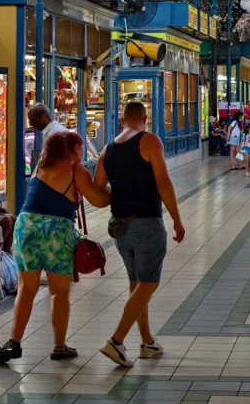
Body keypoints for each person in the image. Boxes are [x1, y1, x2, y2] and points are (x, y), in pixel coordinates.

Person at [0, 130, 110, 363]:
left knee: (26, 289)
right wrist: (111, 192)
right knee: (59, 292)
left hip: (26, 226)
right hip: (55, 232)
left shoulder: (40, 166)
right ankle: (59, 346)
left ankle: (13, 342)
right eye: (80, 148)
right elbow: (98, 200)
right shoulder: (75, 169)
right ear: (75, 149)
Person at [93, 101, 186, 367]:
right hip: (147, 224)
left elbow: (99, 186)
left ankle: (146, 342)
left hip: (119, 227)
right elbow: (164, 184)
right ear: (146, 118)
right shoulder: (150, 141)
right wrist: (177, 221)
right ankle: (116, 341)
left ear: (122, 119)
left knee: (137, 284)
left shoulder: (108, 149)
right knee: (148, 284)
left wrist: (118, 193)